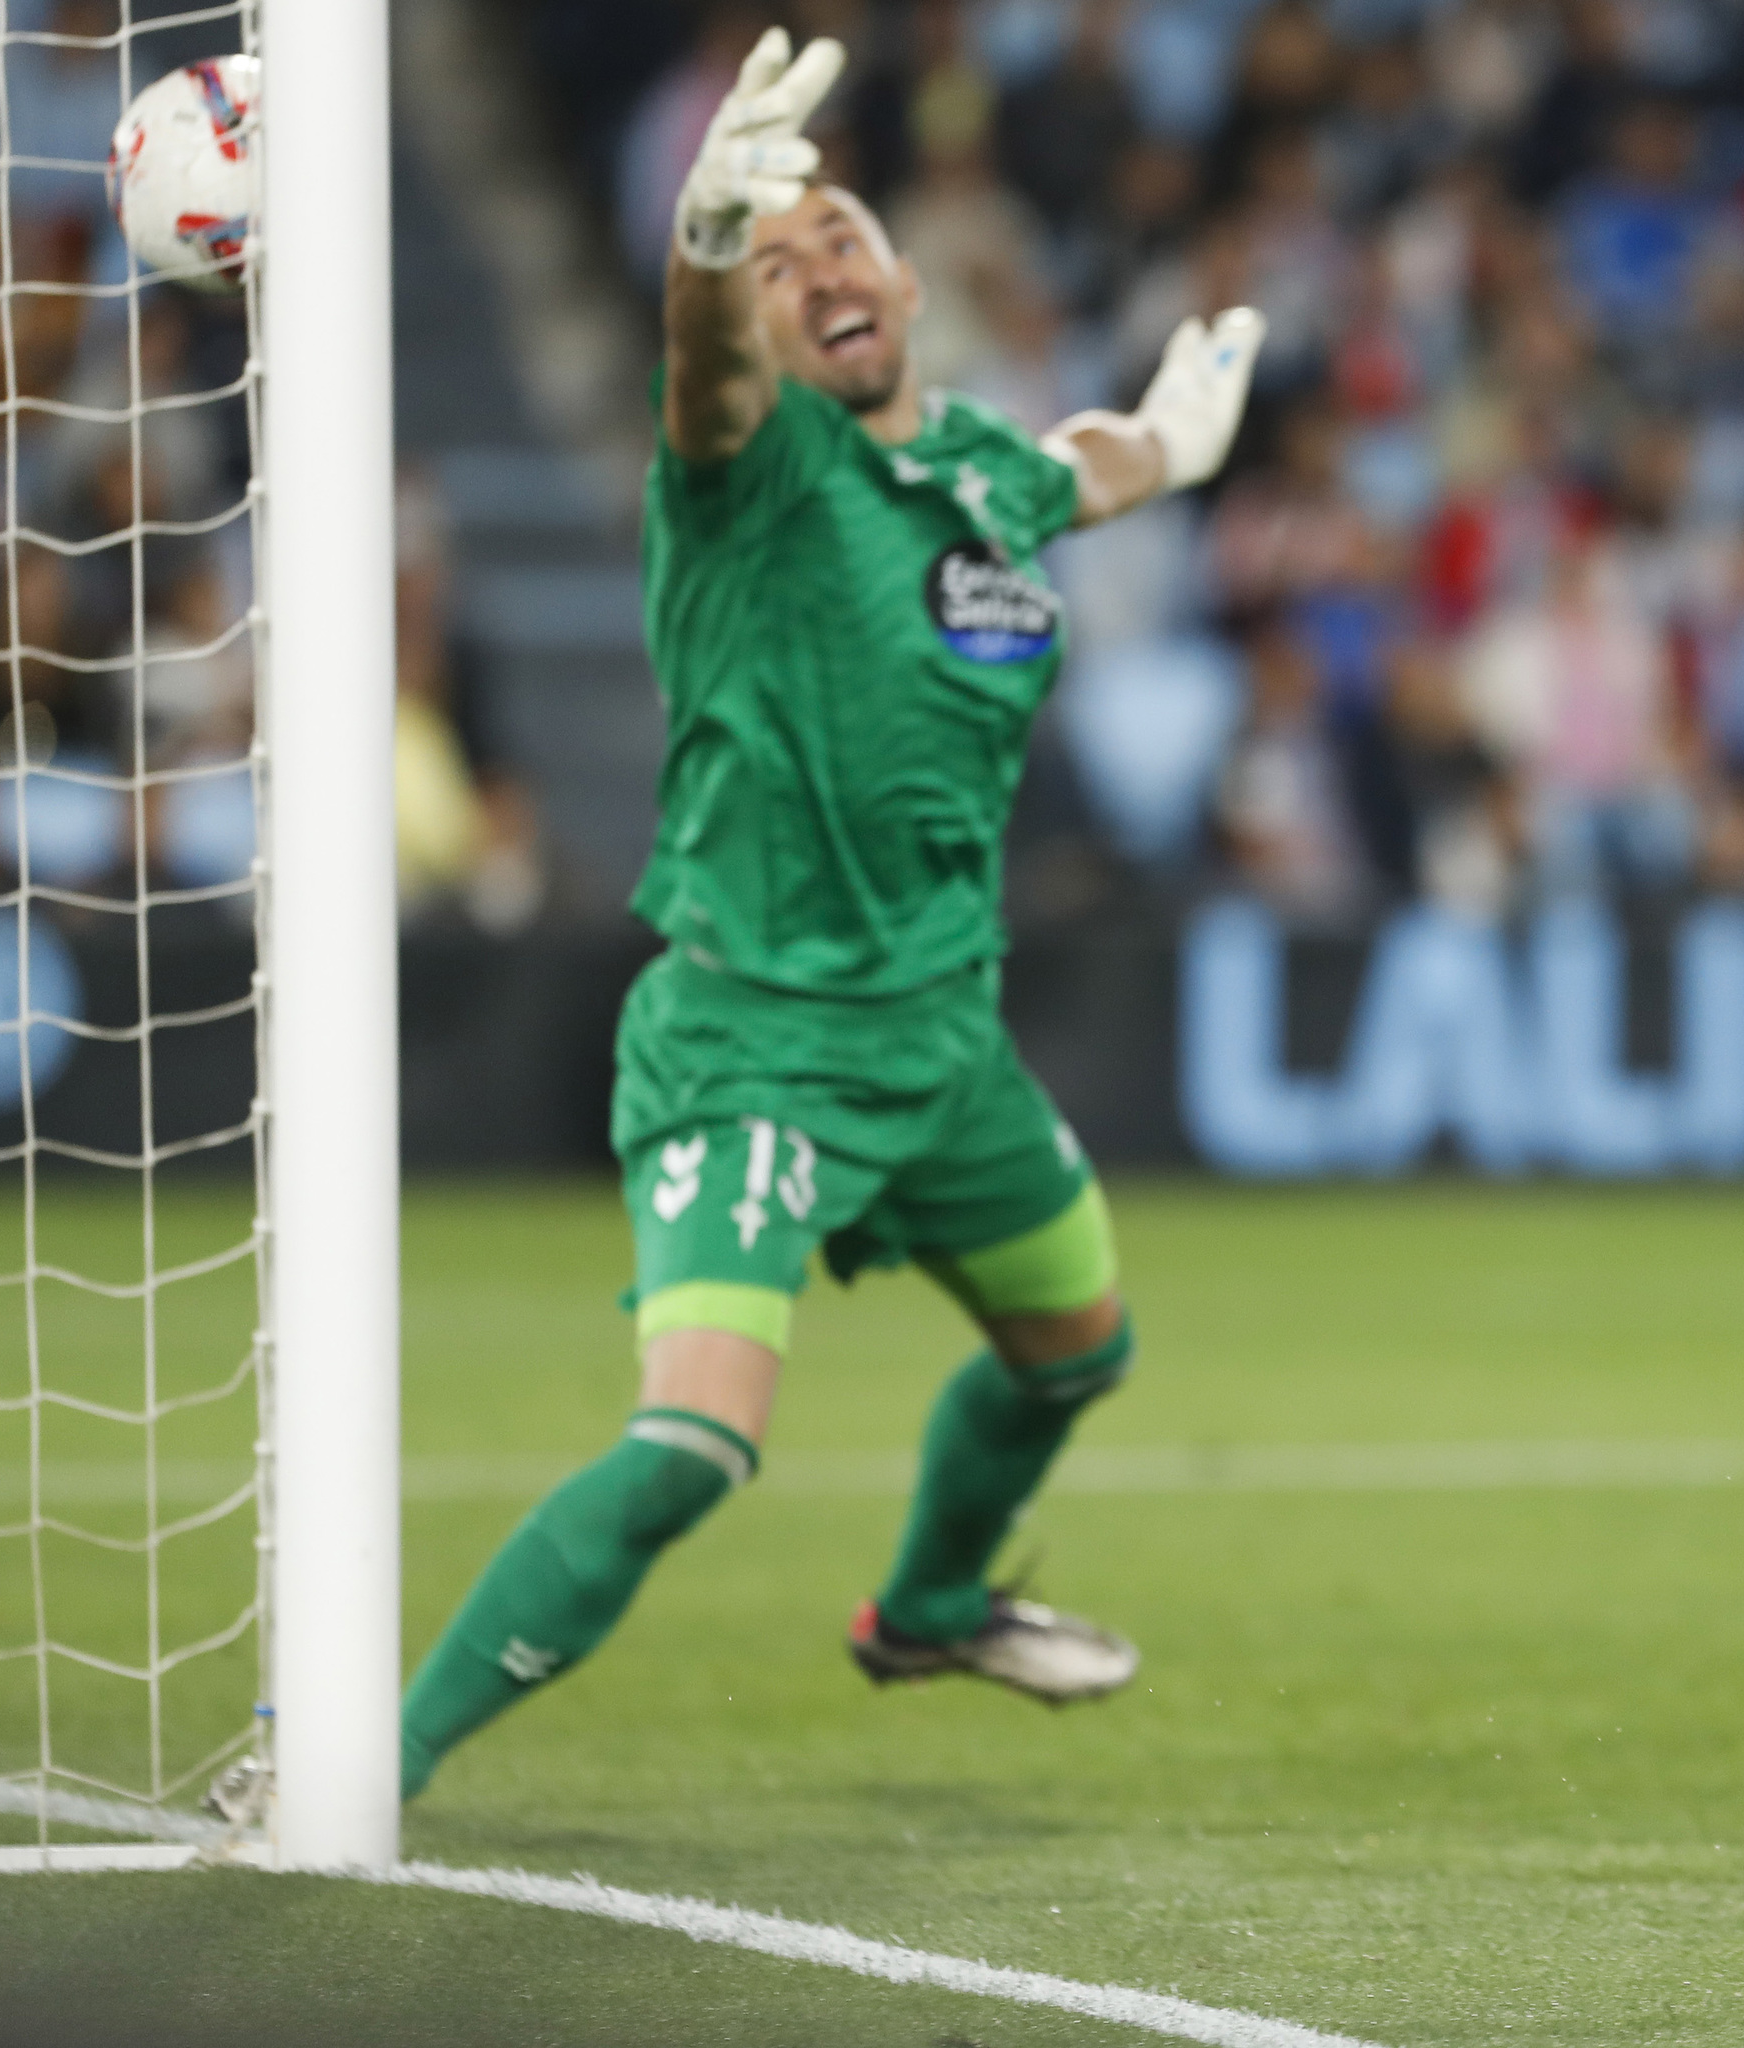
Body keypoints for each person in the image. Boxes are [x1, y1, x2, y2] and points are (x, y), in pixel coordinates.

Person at [392, 30, 1263, 1800]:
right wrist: (709, 260)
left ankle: (932, 1606)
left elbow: (1066, 467)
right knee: (691, 1450)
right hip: (757, 1045)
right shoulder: (750, 472)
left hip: (944, 1041)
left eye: (839, 236)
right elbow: (706, 381)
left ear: (909, 271)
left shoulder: (974, 479)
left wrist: (1165, 445)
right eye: (780, 269)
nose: (818, 275)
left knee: (1078, 1351)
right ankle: (355, 1762)